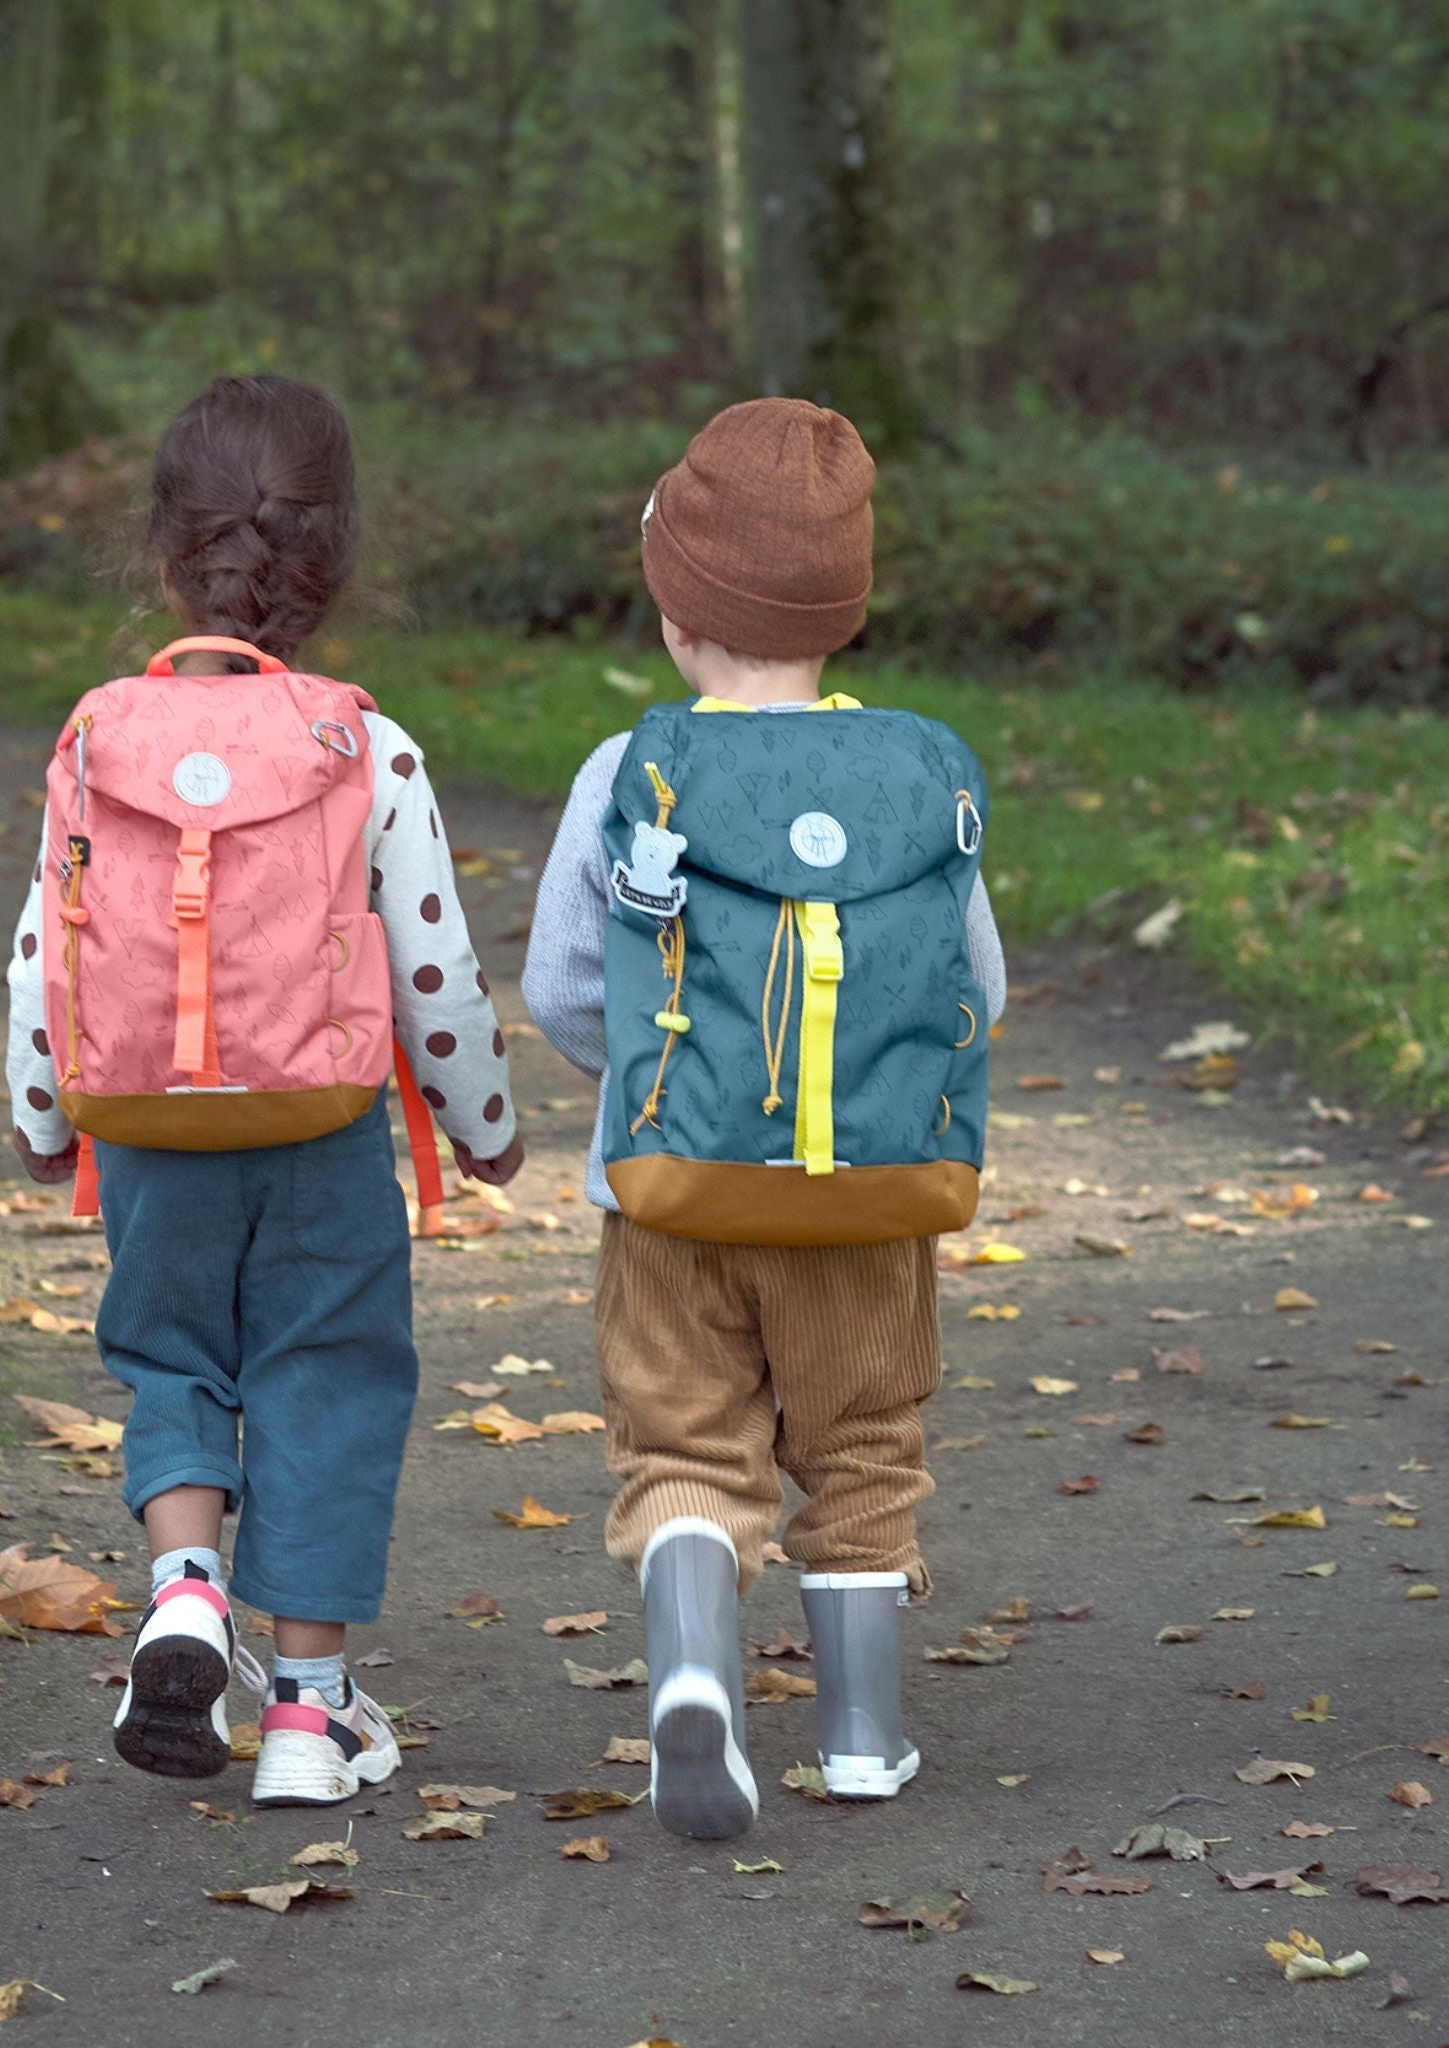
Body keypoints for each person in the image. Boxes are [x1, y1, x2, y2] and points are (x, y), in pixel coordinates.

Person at [6, 374, 523, 1807]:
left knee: (172, 1360)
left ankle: (183, 1590)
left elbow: (48, 950)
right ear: (333, 557)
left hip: (151, 1132)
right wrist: (484, 1124)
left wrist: (47, 1112)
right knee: (329, 1384)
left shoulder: (98, 737)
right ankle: (309, 1717)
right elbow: (433, 970)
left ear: (168, 551)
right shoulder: (366, 742)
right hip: (321, 1135)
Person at [523, 398, 1006, 1839]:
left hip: (669, 1196)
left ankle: (691, 1676)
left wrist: (657, 1090)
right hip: (869, 1201)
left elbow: (559, 984)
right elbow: (978, 987)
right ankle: (860, 1738)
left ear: (676, 614)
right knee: (861, 1445)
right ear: (845, 613)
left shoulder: (630, 770)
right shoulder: (923, 774)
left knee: (681, 1446)